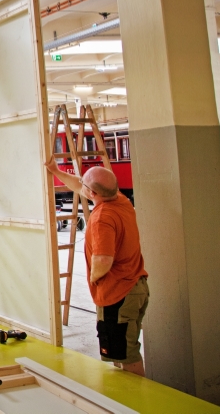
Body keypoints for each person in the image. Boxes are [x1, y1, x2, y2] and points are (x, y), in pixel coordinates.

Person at [45, 160, 149, 376]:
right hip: (136, 288)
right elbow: (79, 185)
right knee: (122, 350)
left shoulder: (102, 218)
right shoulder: (122, 201)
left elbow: (103, 260)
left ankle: (136, 404)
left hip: (117, 296)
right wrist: (56, 171)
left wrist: (94, 278)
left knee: (125, 355)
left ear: (91, 193)